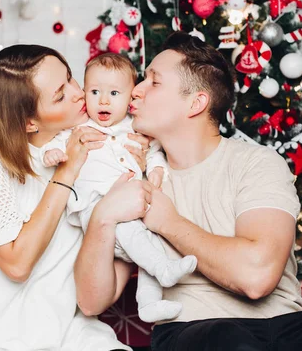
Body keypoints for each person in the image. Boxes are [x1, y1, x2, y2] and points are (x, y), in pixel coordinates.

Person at [74, 32, 302, 351]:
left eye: (153, 82)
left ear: (196, 103)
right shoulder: (131, 176)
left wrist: (167, 222)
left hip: (286, 330)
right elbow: (91, 301)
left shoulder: (255, 163)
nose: (135, 92)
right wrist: (102, 216)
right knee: (226, 340)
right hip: (194, 332)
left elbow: (257, 276)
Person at [0, 44, 147, 350]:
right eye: (60, 95)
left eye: (70, 78)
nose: (79, 93)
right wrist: (66, 172)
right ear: (29, 122)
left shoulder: (97, 145)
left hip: (69, 327)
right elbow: (16, 265)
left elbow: (102, 285)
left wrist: (135, 172)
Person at [40, 53, 197, 323]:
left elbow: (153, 152)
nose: (103, 100)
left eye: (114, 93)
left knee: (149, 238)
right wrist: (52, 153)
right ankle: (164, 269)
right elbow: (57, 141)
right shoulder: (79, 127)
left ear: (129, 98)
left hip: (132, 208)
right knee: (133, 234)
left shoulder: (135, 128)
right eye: (95, 92)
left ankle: (149, 303)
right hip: (93, 207)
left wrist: (157, 170)